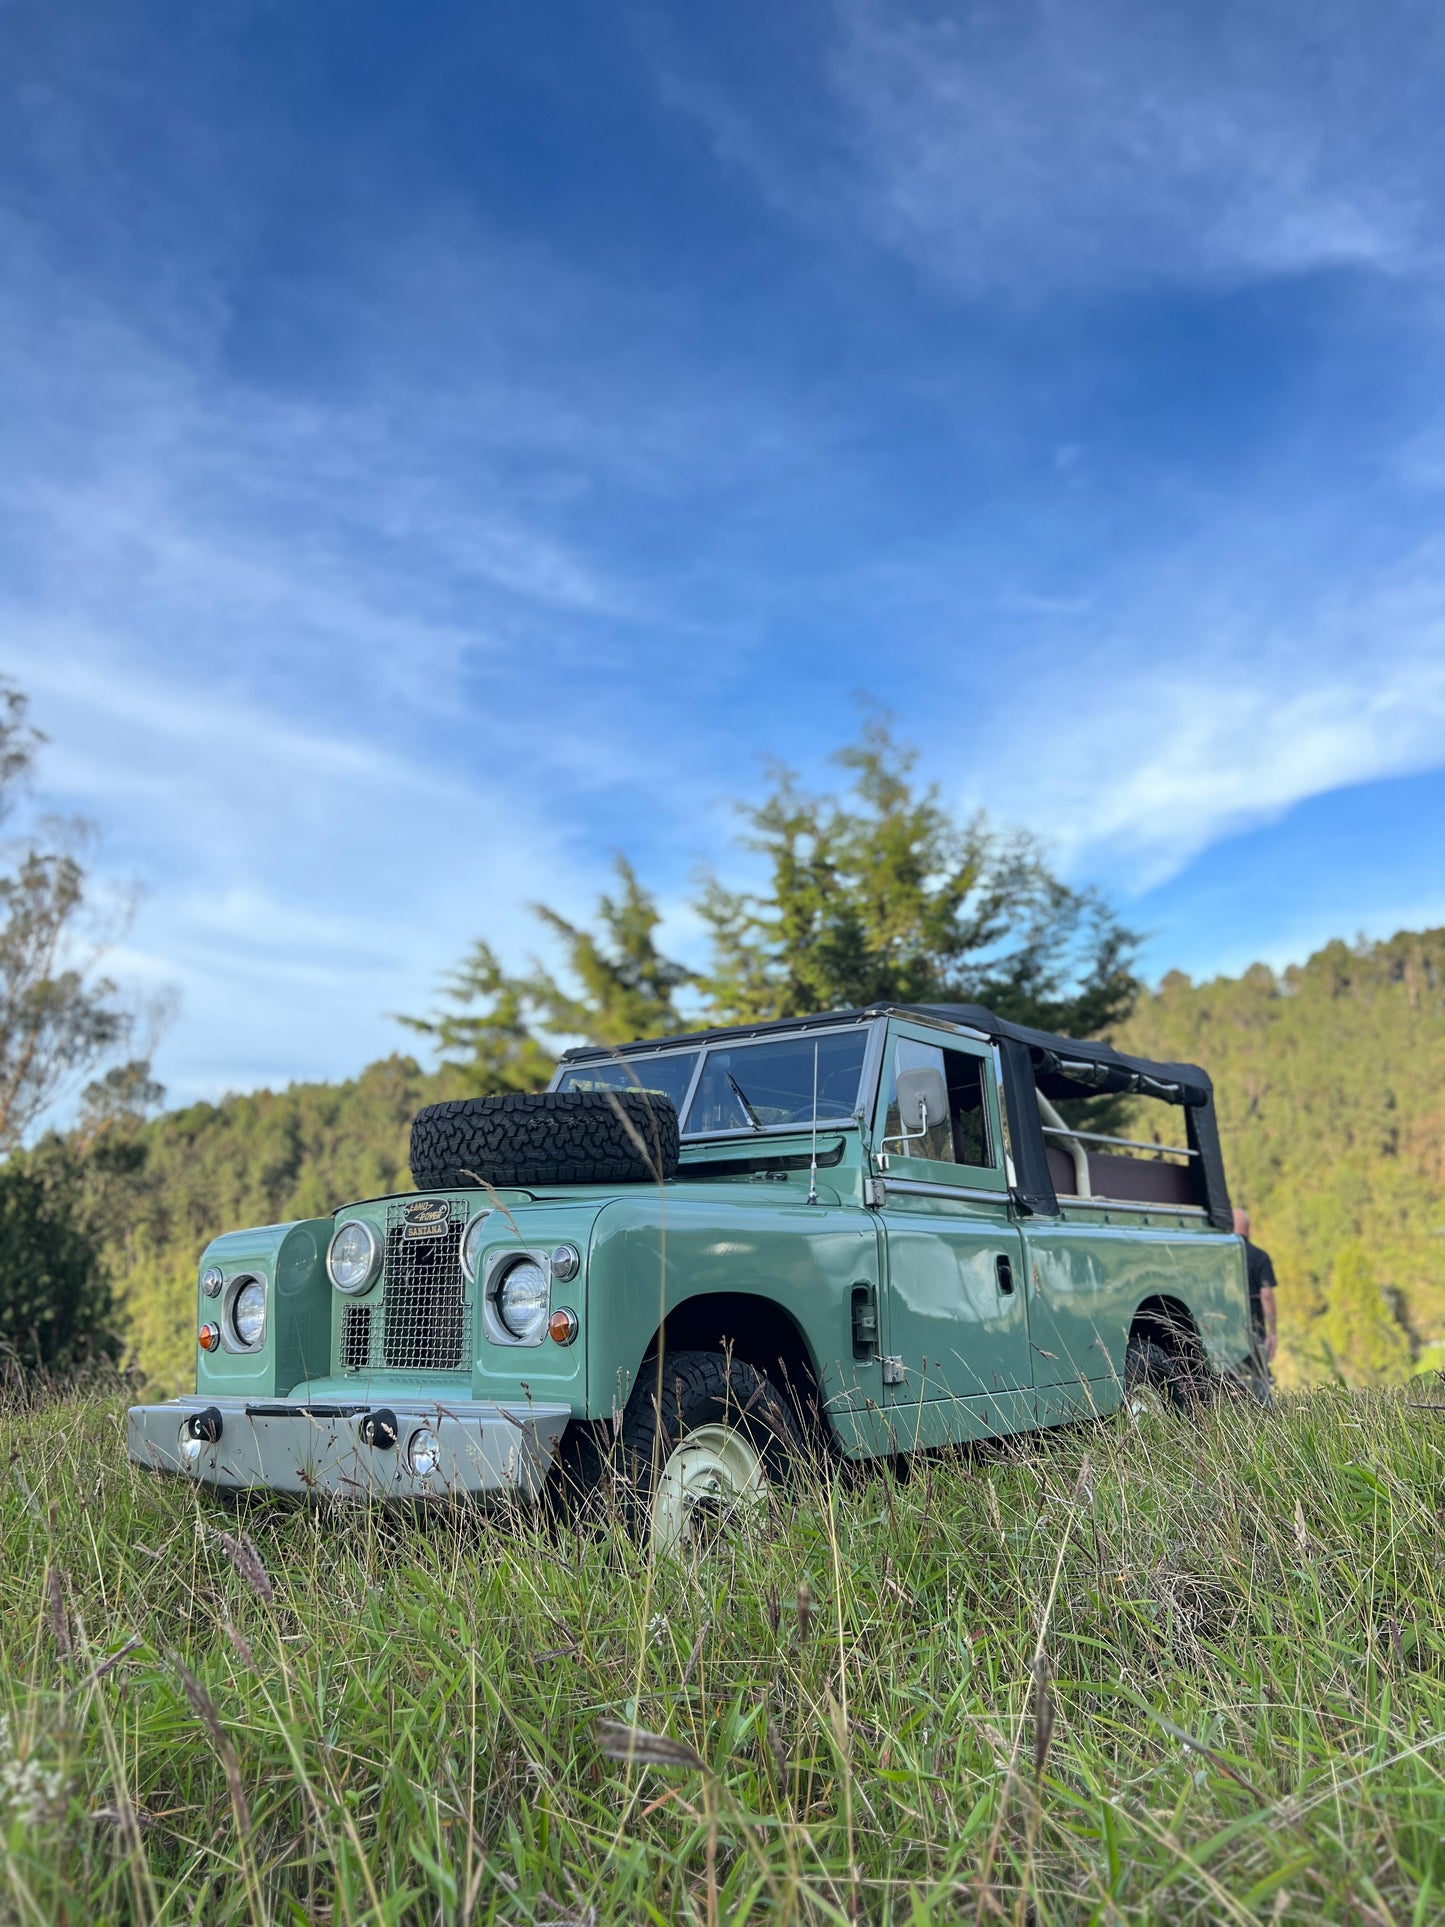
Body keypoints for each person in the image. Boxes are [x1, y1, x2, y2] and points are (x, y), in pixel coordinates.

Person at [1233, 1206, 1277, 1396]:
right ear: (1248, 1228)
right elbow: (1266, 1295)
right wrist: (1272, 1332)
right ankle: (1267, 1414)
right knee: (1258, 1373)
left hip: (1222, 1323)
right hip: (1253, 1322)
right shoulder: (1259, 1256)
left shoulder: (1217, 1256)